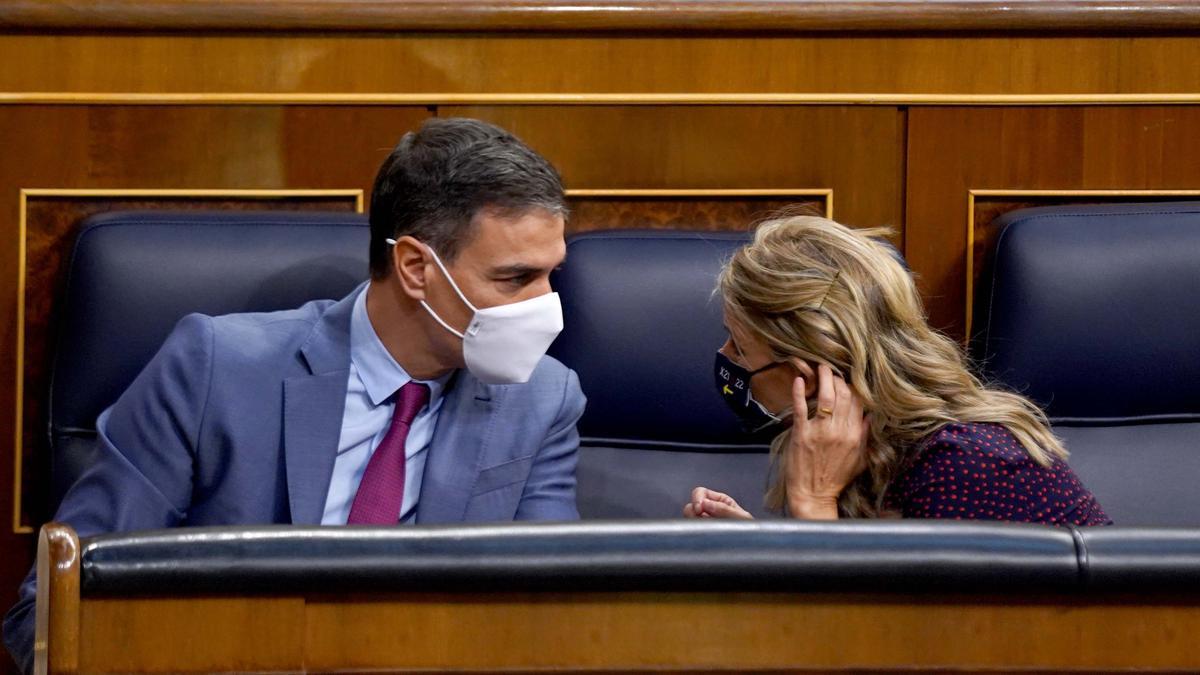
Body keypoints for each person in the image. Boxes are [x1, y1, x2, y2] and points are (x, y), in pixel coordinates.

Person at [4, 117, 586, 673]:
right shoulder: (215, 369)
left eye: (551, 274)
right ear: (415, 267)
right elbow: (57, 611)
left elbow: (545, 617)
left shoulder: (542, 399)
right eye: (516, 278)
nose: (546, 306)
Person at [687, 214, 1109, 525]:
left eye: (740, 347)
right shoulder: (867, 447)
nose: (725, 356)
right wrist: (754, 552)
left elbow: (877, 640)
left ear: (810, 377)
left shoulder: (963, 464)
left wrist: (812, 504)